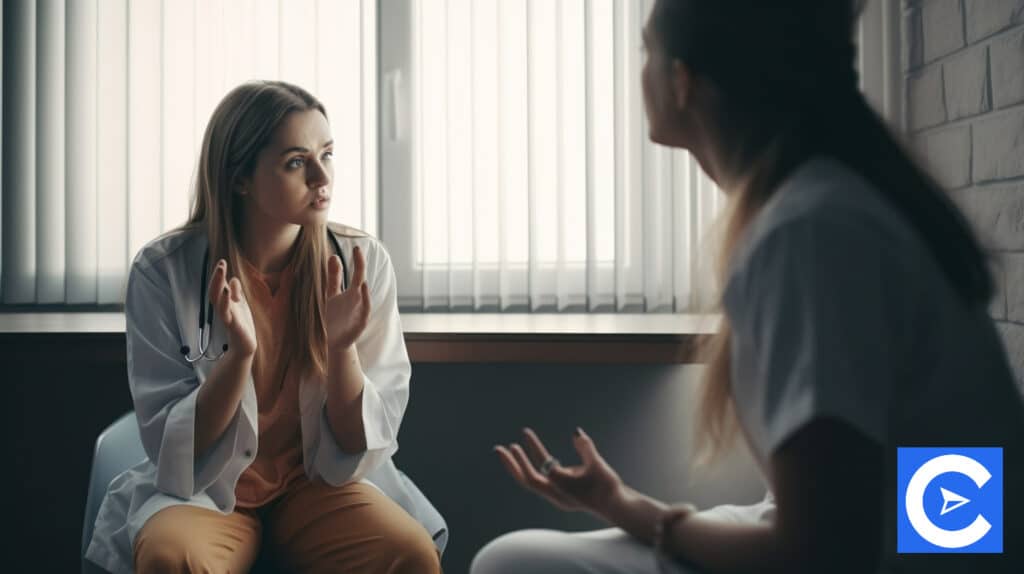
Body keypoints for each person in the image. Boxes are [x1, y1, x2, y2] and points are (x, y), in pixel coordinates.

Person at [471, 1, 1024, 573]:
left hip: (916, 554)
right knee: (516, 558)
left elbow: (825, 554)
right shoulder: (833, 204)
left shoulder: (809, 233)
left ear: (682, 81)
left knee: (510, 566)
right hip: (918, 534)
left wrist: (655, 520)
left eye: (646, 52)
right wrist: (621, 504)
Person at [85, 81, 446, 574]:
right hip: (209, 491)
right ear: (241, 179)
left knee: (408, 553)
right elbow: (176, 445)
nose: (323, 177)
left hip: (318, 487)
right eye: (296, 162)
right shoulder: (163, 271)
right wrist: (239, 357)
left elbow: (359, 440)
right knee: (174, 558)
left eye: (328, 154)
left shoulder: (362, 265)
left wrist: (341, 350)